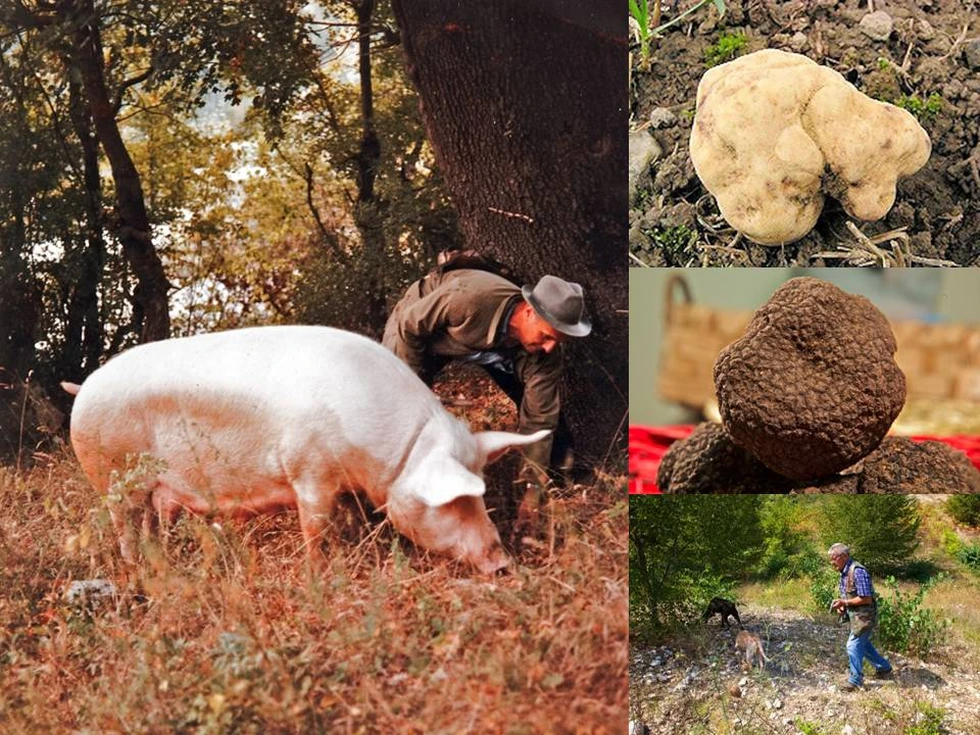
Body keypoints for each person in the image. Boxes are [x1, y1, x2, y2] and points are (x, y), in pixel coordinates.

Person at [382, 261, 592, 534]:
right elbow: (410, 325)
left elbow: (540, 420)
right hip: (419, 330)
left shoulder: (545, 353)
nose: (549, 347)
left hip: (497, 348)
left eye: (558, 341)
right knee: (399, 409)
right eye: (546, 336)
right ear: (529, 312)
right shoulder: (470, 300)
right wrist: (416, 393)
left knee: (541, 408)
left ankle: (557, 475)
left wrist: (533, 491)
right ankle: (392, 505)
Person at [828, 543, 894, 691]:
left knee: (852, 646)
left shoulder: (857, 571)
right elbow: (851, 595)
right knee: (863, 645)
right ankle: (883, 667)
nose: (832, 562)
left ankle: (855, 680)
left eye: (834, 558)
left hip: (865, 617)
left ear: (844, 556)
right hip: (856, 617)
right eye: (830, 559)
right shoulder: (844, 572)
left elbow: (866, 598)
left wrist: (844, 602)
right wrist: (843, 606)